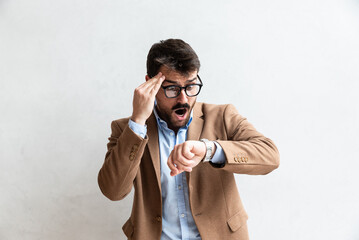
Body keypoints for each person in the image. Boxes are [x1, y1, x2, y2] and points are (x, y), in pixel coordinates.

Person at [98, 39, 280, 240]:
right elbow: (113, 191)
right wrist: (138, 121)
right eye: (172, 89)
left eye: (191, 86)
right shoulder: (127, 130)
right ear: (150, 84)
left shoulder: (222, 116)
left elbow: (270, 156)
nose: (183, 99)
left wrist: (209, 150)